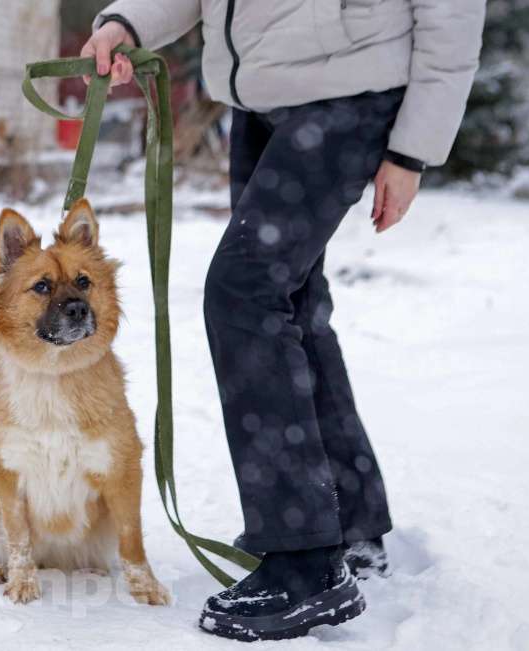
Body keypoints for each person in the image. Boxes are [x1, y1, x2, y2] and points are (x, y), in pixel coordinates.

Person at [82, 0, 485, 642]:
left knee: (243, 294)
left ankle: (305, 562)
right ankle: (347, 522)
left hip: (350, 92)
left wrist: (412, 151)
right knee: (289, 302)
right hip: (262, 100)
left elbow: (451, 12)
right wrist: (126, 25)